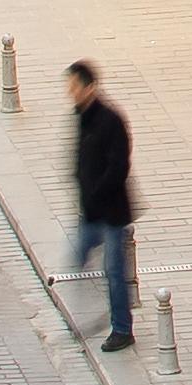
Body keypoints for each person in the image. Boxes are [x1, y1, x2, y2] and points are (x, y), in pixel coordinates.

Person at [63, 60, 137, 351]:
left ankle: (121, 328)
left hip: (111, 212)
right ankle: (85, 313)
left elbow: (119, 166)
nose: (70, 92)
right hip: (90, 211)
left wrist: (96, 192)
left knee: (114, 271)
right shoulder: (82, 116)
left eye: (74, 86)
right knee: (78, 256)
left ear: (89, 87)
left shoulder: (110, 120)